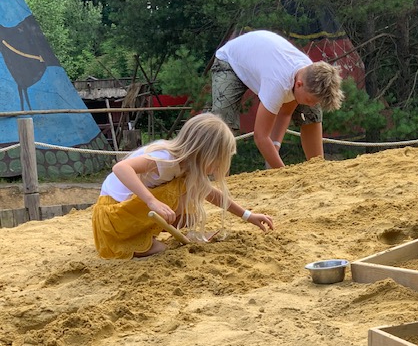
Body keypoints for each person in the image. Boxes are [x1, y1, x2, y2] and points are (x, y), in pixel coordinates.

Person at [92, 113, 274, 259]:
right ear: (205, 153)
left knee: (191, 215)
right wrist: (151, 201)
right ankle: (136, 242)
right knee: (182, 193)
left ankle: (146, 236)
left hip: (125, 214)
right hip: (112, 218)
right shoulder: (166, 158)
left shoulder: (185, 165)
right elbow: (120, 167)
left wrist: (248, 216)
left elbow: (211, 193)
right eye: (218, 162)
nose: (217, 168)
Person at [210, 29, 344, 169]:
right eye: (311, 99)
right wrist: (282, 173)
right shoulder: (277, 83)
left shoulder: (308, 72)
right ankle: (218, 177)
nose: (313, 103)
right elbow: (260, 136)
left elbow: (285, 112)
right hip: (230, 60)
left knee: (311, 112)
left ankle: (318, 168)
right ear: (299, 84)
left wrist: (274, 147)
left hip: (263, 56)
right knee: (223, 121)